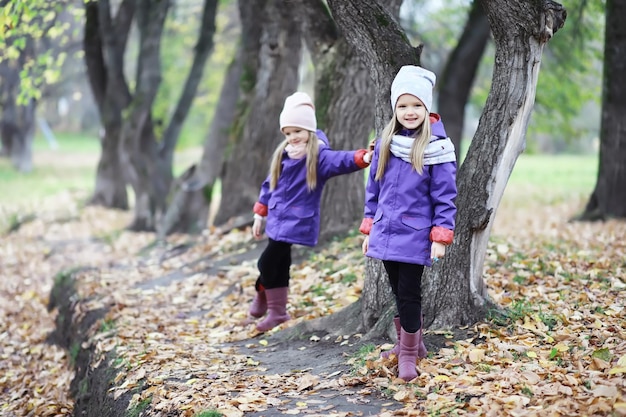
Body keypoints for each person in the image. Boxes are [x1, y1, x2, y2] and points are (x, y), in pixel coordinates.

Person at [359, 66, 457, 381]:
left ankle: (409, 356)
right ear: (394, 109)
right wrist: (369, 228)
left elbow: (445, 197)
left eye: (416, 105)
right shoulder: (386, 142)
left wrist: (440, 237)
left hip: (415, 233)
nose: (409, 112)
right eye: (403, 106)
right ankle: (410, 346)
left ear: (427, 107)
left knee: (409, 292)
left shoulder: (436, 148)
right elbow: (373, 189)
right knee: (396, 292)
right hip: (386, 231)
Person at [250, 92, 372, 332]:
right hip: (276, 217)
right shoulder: (282, 155)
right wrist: (259, 213)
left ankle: (264, 297)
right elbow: (268, 185)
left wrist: (364, 157)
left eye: (297, 131)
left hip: (296, 220)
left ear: (309, 130)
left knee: (267, 262)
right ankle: (277, 311)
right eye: (287, 133)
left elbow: (342, 160)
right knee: (279, 263)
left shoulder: (318, 156)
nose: (292, 137)